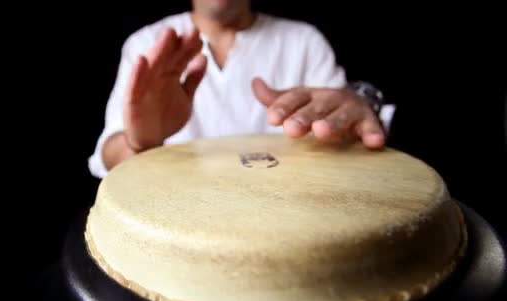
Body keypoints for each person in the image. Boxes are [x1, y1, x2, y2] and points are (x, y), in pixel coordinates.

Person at [88, 0, 392, 179]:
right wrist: (141, 142)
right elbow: (108, 155)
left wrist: (358, 105)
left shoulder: (304, 41)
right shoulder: (146, 43)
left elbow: (347, 138)